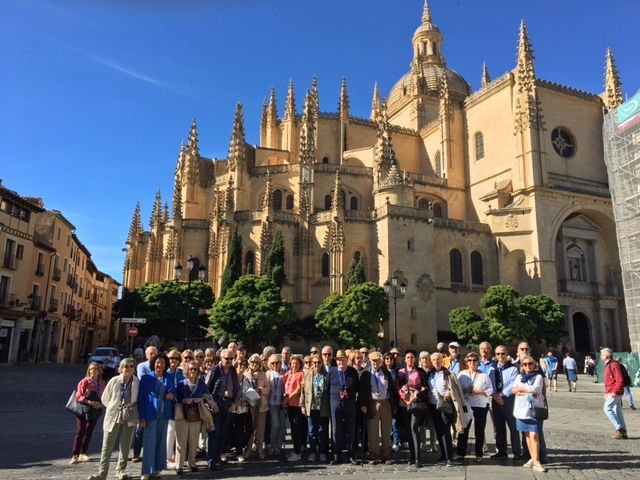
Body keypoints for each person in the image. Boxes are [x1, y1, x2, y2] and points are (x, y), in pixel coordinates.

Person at [88, 358, 140, 480]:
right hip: (114, 416)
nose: (129, 369)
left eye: (131, 366)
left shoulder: (136, 382)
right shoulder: (115, 380)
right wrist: (113, 407)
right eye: (126, 366)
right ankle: (102, 473)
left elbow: (136, 398)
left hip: (129, 416)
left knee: (125, 445)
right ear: (121, 368)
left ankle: (120, 470)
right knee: (107, 445)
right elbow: (105, 398)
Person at [137, 352, 175, 480]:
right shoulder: (147, 377)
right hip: (149, 414)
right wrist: (141, 417)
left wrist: (172, 396)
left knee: (160, 442)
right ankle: (146, 471)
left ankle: (157, 469)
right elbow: (141, 398)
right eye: (158, 362)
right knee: (149, 443)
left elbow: (173, 392)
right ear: (154, 364)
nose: (160, 364)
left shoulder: (169, 377)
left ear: (165, 365)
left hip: (164, 414)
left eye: (163, 362)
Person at [359, 351, 398, 465]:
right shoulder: (366, 373)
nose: (375, 363)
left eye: (377, 361)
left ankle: (386, 454)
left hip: (385, 402)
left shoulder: (386, 372)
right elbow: (362, 391)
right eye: (373, 361)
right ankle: (373, 454)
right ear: (370, 361)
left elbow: (392, 388)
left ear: (381, 361)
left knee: (386, 429)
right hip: (372, 402)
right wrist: (363, 405)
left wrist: (393, 405)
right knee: (373, 430)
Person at [206, 347, 238, 470]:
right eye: (227, 358)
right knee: (214, 433)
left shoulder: (233, 371)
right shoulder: (214, 370)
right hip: (216, 403)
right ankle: (211, 460)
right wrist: (212, 405)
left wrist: (234, 403)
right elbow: (206, 390)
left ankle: (218, 456)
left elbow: (236, 389)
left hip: (228, 404)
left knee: (223, 433)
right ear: (221, 358)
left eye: (231, 358)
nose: (229, 360)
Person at [457, 352, 493, 462]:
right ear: (466, 362)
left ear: (478, 362)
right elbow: (457, 390)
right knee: (464, 429)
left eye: (474, 360)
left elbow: (490, 389)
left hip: (480, 405)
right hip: (467, 405)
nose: (472, 362)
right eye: (470, 360)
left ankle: (479, 453)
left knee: (479, 430)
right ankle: (461, 453)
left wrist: (481, 392)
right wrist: (465, 390)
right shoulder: (462, 375)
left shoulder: (484, 375)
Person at [512, 356, 546, 473]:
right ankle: (532, 458)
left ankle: (537, 461)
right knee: (527, 434)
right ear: (522, 366)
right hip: (521, 410)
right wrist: (527, 391)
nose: (528, 366)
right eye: (525, 364)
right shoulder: (519, 377)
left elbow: (536, 389)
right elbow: (514, 390)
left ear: (534, 364)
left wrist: (521, 390)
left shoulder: (538, 376)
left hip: (534, 410)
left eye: (530, 364)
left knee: (534, 434)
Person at [397, 349, 429, 467]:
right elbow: (398, 387)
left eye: (412, 357)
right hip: (404, 404)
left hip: (416, 404)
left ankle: (417, 457)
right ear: (405, 359)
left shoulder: (420, 371)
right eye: (408, 357)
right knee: (409, 430)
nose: (410, 359)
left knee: (414, 427)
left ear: (415, 359)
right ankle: (412, 455)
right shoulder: (400, 372)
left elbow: (425, 387)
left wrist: (417, 395)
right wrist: (406, 399)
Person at [327, 349, 359, 465]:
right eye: (338, 360)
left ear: (346, 360)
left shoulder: (352, 371)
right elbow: (327, 388)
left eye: (343, 360)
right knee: (336, 430)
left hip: (350, 403)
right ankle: (337, 456)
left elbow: (357, 387)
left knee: (351, 430)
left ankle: (351, 455)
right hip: (335, 402)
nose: (341, 362)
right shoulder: (332, 371)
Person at [175, 361, 208, 474]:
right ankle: (179, 466)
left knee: (194, 441)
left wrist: (200, 399)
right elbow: (176, 399)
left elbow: (206, 396)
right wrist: (183, 400)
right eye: (190, 369)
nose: (193, 371)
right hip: (183, 415)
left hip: (196, 415)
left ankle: (192, 463)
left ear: (198, 371)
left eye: (195, 369)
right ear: (186, 370)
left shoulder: (202, 383)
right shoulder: (181, 384)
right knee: (181, 441)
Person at [70, 362, 106, 465]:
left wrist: (101, 404)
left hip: (96, 410)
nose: (93, 371)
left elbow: (105, 396)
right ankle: (75, 455)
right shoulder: (84, 382)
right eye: (91, 369)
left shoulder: (102, 383)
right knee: (80, 432)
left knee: (89, 432)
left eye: (95, 369)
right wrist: (89, 402)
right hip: (83, 409)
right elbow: (78, 396)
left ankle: (83, 453)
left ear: (99, 371)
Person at [426, 352, 457, 467]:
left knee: (446, 431)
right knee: (439, 431)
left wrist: (450, 391)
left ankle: (449, 458)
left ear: (442, 360)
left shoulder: (447, 373)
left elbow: (454, 386)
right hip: (433, 406)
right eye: (433, 360)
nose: (436, 362)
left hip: (445, 405)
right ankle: (443, 455)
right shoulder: (430, 373)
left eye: (438, 359)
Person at [491, 345, 522, 461]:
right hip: (495, 399)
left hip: (508, 399)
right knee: (499, 427)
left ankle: (516, 453)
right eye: (498, 354)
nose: (500, 356)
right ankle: (502, 451)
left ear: (507, 354)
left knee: (513, 427)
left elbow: (513, 384)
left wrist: (501, 395)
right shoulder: (492, 368)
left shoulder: (513, 368)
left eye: (502, 353)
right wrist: (494, 395)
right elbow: (490, 383)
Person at [300, 352, 330, 463]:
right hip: (311, 407)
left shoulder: (326, 375)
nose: (316, 364)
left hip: (323, 407)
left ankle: (322, 452)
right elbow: (303, 391)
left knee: (322, 431)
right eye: (314, 362)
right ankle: (312, 452)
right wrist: (302, 405)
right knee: (312, 431)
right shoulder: (308, 374)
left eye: (318, 362)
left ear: (322, 363)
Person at [132, 345, 158, 463]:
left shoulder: (161, 366)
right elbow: (144, 380)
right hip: (144, 400)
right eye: (150, 353)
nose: (152, 355)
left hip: (157, 402)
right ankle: (136, 453)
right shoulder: (142, 366)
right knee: (140, 429)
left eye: (154, 353)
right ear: (146, 355)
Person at [245, 353, 270, 460]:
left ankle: (260, 450)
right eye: (253, 362)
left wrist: (260, 389)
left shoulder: (263, 375)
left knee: (260, 429)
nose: (255, 364)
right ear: (249, 363)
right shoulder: (245, 374)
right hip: (249, 404)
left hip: (261, 404)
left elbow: (268, 390)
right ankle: (248, 450)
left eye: (257, 363)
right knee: (249, 428)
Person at [601, 348, 628, 438]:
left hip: (615, 392)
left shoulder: (613, 365)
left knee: (607, 408)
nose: (601, 356)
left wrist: (614, 392)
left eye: (602, 354)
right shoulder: (609, 365)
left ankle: (620, 429)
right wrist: (607, 392)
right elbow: (610, 380)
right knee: (618, 412)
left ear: (607, 356)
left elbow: (619, 379)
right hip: (612, 391)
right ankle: (624, 432)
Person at [284, 355, 305, 461]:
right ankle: (295, 449)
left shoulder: (301, 374)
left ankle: (297, 452)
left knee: (297, 429)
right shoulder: (289, 374)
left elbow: (298, 390)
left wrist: (287, 398)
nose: (294, 365)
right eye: (292, 363)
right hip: (290, 405)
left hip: (296, 405)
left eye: (296, 363)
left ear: (300, 364)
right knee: (292, 429)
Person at [266, 354, 285, 457]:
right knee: (275, 425)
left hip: (282, 403)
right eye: (272, 363)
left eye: (277, 363)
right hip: (272, 403)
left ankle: (278, 447)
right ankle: (272, 445)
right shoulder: (268, 374)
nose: (275, 365)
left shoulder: (284, 373)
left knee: (281, 426)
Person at [383, 351, 402, 453]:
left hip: (394, 398)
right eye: (387, 359)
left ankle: (395, 441)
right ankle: (388, 441)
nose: (389, 360)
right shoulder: (382, 370)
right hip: (384, 399)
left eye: (391, 358)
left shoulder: (397, 371)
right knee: (386, 422)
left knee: (394, 422)